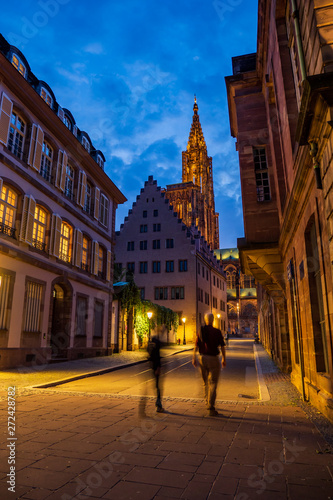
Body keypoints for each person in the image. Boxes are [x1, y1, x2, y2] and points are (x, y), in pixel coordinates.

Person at [192, 313, 226, 416]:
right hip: (213, 359)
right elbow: (222, 346)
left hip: (202, 358)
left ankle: (207, 401)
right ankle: (211, 406)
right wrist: (224, 358)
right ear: (213, 320)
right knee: (213, 382)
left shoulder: (201, 331)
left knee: (205, 382)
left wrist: (194, 357)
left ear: (205, 320)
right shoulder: (217, 331)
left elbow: (196, 345)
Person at [147, 335, 164, 412]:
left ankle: (158, 404)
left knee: (157, 386)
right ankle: (159, 404)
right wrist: (158, 368)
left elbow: (151, 357)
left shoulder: (152, 348)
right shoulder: (156, 349)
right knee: (158, 386)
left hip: (153, 367)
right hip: (156, 367)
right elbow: (157, 358)